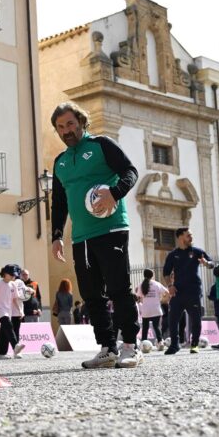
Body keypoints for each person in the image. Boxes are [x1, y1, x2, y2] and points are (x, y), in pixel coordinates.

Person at [50, 102, 140, 369]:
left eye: (70, 124)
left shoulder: (101, 145)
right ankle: (107, 348)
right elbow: (59, 203)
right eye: (60, 127)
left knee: (118, 289)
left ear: (81, 121)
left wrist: (115, 192)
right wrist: (56, 235)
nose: (66, 130)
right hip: (81, 237)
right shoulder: (60, 162)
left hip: (111, 228)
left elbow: (130, 171)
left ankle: (130, 347)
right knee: (91, 295)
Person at [162, 228, 213, 355]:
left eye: (191, 235)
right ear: (180, 237)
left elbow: (212, 264)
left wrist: (206, 263)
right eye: (188, 235)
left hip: (193, 291)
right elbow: (166, 273)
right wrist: (170, 286)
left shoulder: (197, 252)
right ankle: (174, 345)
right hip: (178, 292)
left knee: (196, 319)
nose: (191, 237)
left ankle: (194, 345)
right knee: (172, 319)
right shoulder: (173, 255)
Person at [0, 265, 26, 360]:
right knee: (8, 325)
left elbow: (15, 299)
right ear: (5, 274)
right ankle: (15, 345)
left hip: (8, 310)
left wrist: (20, 310)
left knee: (4, 330)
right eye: (11, 275)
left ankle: (1, 353)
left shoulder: (13, 284)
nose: (13, 277)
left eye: (14, 275)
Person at [136, 269, 168, 351]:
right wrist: (162, 300)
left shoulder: (141, 285)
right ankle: (160, 342)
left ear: (144, 275)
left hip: (146, 309)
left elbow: (138, 296)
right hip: (156, 308)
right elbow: (167, 292)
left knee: (145, 328)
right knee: (156, 327)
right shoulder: (157, 284)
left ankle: (144, 344)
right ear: (152, 275)